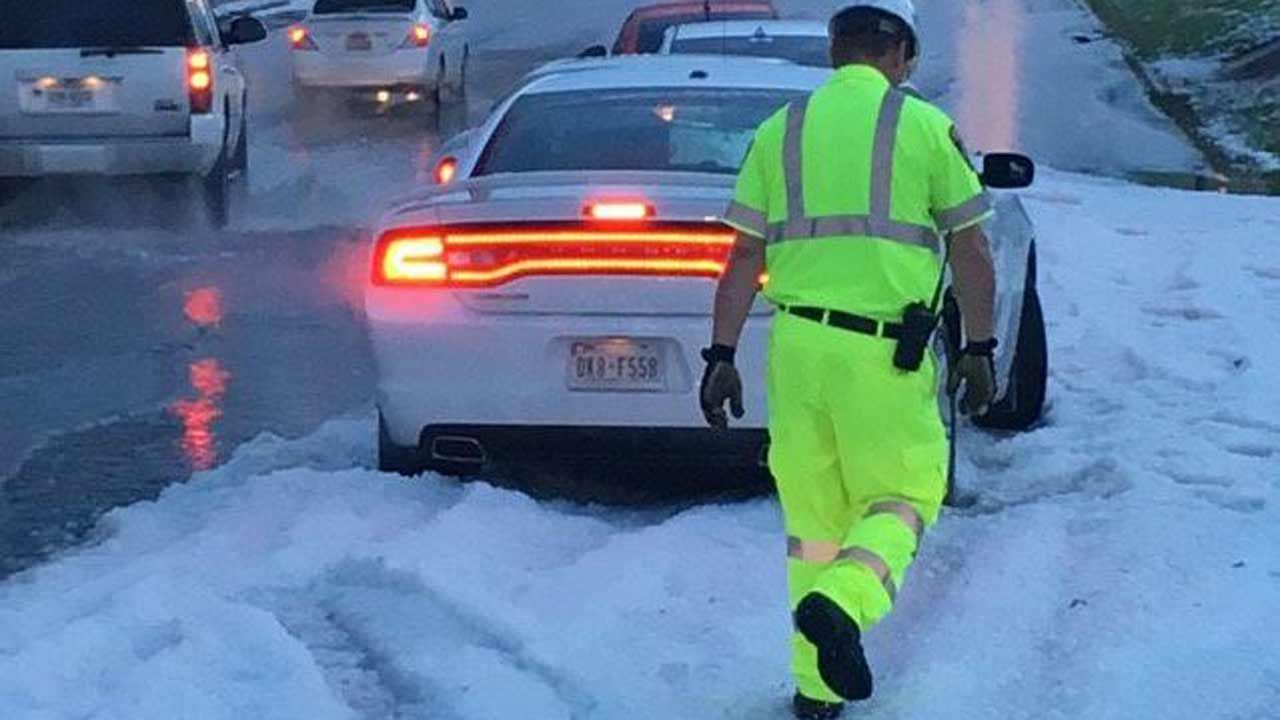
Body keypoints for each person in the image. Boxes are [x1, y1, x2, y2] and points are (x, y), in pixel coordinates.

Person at [698, 1, 999, 718]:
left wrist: (720, 353)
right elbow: (972, 249)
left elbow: (744, 254)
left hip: (796, 351)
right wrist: (981, 346)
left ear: (835, 54)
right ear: (900, 55)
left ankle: (815, 691)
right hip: (881, 357)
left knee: (815, 529)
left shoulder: (782, 131)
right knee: (905, 497)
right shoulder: (923, 127)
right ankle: (845, 601)